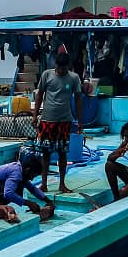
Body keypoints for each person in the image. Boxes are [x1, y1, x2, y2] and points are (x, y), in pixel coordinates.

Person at [33, 52, 83, 193]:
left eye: (64, 68)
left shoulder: (74, 78)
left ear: (68, 66)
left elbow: (78, 98)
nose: (61, 70)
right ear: (56, 65)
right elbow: (39, 95)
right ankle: (44, 183)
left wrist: (80, 120)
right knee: (46, 153)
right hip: (47, 120)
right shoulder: (46, 75)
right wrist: (35, 115)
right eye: (60, 67)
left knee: (62, 153)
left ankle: (62, 184)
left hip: (65, 121)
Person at [0, 146, 54, 215]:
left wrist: (48, 201)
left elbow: (32, 188)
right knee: (16, 188)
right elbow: (8, 194)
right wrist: (29, 203)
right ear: (28, 170)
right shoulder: (16, 173)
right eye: (32, 176)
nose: (32, 179)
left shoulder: (20, 170)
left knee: (20, 185)